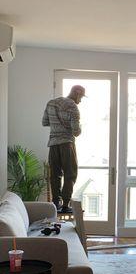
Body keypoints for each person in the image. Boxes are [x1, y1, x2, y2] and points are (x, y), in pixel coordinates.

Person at [42, 85, 85, 213]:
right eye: (81, 97)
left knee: (55, 174)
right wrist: (79, 126)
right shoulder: (72, 106)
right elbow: (76, 132)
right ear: (77, 93)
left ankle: (56, 203)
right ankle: (66, 205)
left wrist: (56, 125)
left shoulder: (51, 103)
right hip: (67, 143)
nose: (81, 100)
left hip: (53, 143)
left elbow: (44, 122)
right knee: (70, 173)